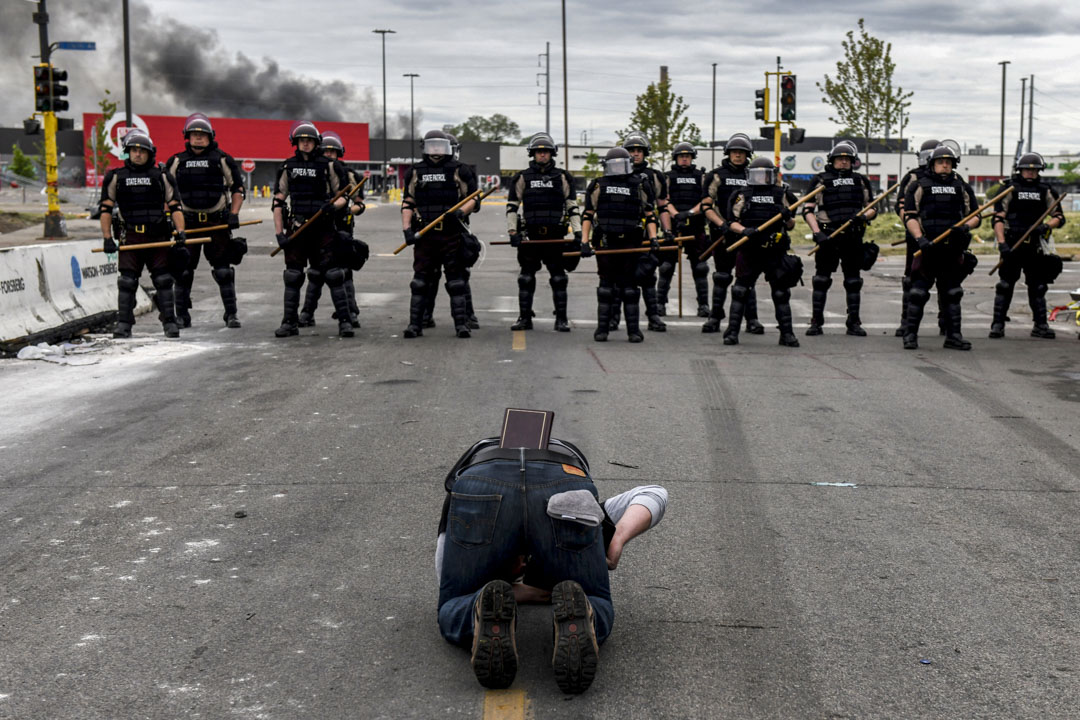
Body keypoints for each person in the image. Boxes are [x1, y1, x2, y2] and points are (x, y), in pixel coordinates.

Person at [436, 434, 667, 694]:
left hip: (480, 478)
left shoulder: (465, 506)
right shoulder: (584, 510)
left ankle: (476, 609)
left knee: (453, 604)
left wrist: (514, 591)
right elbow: (655, 494)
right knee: (596, 600)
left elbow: (444, 571)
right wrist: (616, 539)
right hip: (565, 480)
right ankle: (588, 615)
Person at [99, 129, 185, 339]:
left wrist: (181, 233)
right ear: (128, 152)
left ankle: (170, 322)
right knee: (127, 282)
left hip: (158, 237)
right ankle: (124, 324)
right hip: (130, 237)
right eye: (134, 150)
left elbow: (175, 206)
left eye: (142, 151)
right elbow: (105, 209)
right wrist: (107, 238)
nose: (137, 154)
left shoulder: (162, 176)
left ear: (150, 153)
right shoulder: (116, 177)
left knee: (164, 280)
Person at [164, 113, 246, 329]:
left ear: (210, 136)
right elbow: (167, 194)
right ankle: (181, 315)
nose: (198, 138)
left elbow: (238, 188)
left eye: (202, 134)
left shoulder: (222, 159)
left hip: (215, 223)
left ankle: (231, 314)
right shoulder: (176, 161)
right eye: (194, 134)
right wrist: (169, 220)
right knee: (182, 270)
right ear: (187, 137)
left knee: (223, 270)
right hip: (188, 224)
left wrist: (234, 214)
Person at [271, 121, 352, 338]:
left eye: (309, 141)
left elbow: (344, 196)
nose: (305, 144)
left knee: (334, 275)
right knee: (293, 276)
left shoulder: (330, 166)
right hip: (298, 228)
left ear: (316, 142)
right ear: (295, 142)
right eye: (301, 140)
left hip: (324, 228)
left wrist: (332, 206)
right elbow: (278, 201)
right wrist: (279, 234)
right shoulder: (287, 167)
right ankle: (289, 323)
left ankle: (345, 322)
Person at [401, 129, 479, 338]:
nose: (435, 149)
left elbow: (473, 198)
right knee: (420, 282)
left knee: (456, 282)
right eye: (431, 145)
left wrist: (461, 212)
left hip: (452, 234)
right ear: (425, 147)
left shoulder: (460, 170)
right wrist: (407, 230)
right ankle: (415, 325)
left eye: (439, 145)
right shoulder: (415, 172)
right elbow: (408, 202)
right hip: (425, 235)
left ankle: (461, 325)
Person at [901, 144, 980, 350]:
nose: (944, 165)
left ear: (953, 165)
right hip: (928, 247)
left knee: (952, 292)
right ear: (932, 164)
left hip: (952, 248)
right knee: (918, 292)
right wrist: (920, 239)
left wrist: (964, 228)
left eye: (948, 162)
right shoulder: (919, 185)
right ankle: (910, 335)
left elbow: (976, 216)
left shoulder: (961, 186)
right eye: (940, 162)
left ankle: (953, 336)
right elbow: (910, 216)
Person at [505, 132, 584, 332]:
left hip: (555, 236)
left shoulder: (563, 177)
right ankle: (524, 318)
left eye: (546, 152)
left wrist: (577, 233)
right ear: (532, 154)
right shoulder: (522, 177)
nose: (542, 155)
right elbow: (512, 206)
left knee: (559, 278)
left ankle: (562, 319)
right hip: (530, 236)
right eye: (539, 152)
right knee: (526, 277)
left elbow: (572, 206)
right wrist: (513, 232)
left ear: (552, 154)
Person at [581, 147, 660, 343]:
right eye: (613, 165)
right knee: (606, 288)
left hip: (631, 241)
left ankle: (633, 331)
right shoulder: (598, 185)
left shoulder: (640, 184)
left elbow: (650, 215)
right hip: (606, 241)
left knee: (630, 288)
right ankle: (602, 329)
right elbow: (588, 215)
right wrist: (584, 241)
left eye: (621, 165)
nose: (618, 168)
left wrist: (653, 238)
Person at [723, 157, 802, 347]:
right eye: (756, 174)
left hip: (775, 250)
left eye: (764, 174)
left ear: (772, 175)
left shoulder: (781, 194)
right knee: (740, 290)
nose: (760, 178)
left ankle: (787, 334)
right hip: (750, 248)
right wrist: (743, 231)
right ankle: (732, 333)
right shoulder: (742, 194)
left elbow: (791, 225)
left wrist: (787, 217)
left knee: (781, 293)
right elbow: (731, 222)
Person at [801, 140, 876, 336]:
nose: (843, 162)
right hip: (828, 235)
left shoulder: (860, 181)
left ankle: (854, 322)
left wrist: (863, 216)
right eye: (840, 159)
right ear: (832, 160)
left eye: (847, 159)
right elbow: (807, 210)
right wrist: (817, 233)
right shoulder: (820, 180)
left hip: (852, 237)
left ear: (853, 161)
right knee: (821, 280)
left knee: (853, 281)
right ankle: (816, 322)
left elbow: (873, 208)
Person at [989, 152, 1066, 339]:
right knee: (1005, 285)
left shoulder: (1046, 190)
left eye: (1034, 171)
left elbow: (1059, 217)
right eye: (1026, 170)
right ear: (1020, 170)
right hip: (1012, 243)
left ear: (1039, 172)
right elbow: (998, 218)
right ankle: (997, 325)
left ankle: (1040, 325)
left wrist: (1046, 226)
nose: (1030, 173)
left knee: (1038, 287)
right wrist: (1001, 244)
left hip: (1035, 245)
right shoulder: (1009, 189)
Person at [298, 131, 366, 329]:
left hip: (341, 229)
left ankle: (350, 312)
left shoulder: (350, 175)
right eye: (325, 152)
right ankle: (307, 313)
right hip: (318, 227)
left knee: (343, 272)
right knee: (316, 272)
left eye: (332, 152)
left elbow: (360, 205)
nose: (328, 155)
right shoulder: (315, 169)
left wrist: (345, 210)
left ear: (339, 153)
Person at [700, 134, 765, 335]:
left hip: (746, 234)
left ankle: (752, 320)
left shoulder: (754, 174)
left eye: (742, 153)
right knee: (722, 276)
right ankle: (714, 318)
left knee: (746, 279)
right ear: (728, 153)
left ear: (748, 155)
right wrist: (722, 224)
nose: (738, 156)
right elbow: (706, 205)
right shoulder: (716, 175)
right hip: (722, 232)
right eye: (735, 152)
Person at [623, 134, 669, 332]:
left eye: (639, 151)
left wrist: (667, 231)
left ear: (644, 153)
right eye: (632, 151)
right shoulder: (615, 173)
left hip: (645, 232)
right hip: (622, 231)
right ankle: (613, 318)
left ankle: (653, 317)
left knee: (648, 277)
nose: (635, 154)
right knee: (618, 278)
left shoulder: (655, 176)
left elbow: (663, 206)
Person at [661, 141, 706, 317]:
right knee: (666, 267)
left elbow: (705, 201)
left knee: (700, 268)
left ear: (692, 158)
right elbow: (664, 200)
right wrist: (676, 215)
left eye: (687, 156)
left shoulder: (701, 176)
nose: (684, 159)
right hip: (673, 227)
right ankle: (660, 303)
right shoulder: (668, 177)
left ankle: (703, 305)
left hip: (695, 226)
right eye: (681, 156)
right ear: (676, 158)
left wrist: (688, 213)